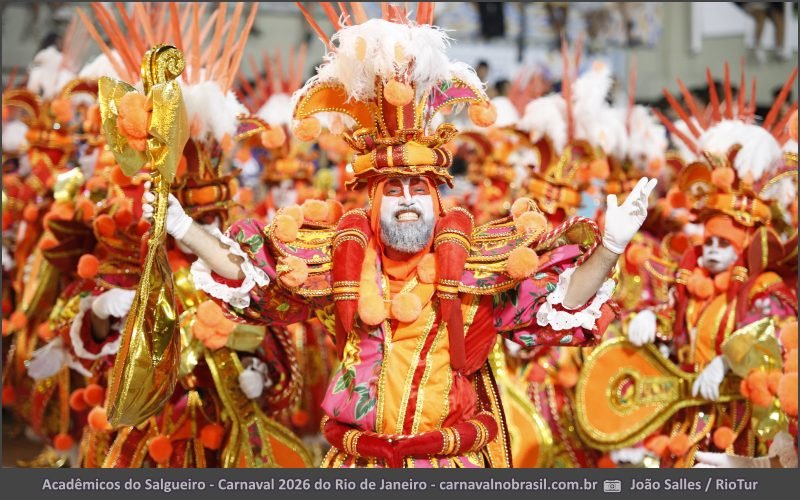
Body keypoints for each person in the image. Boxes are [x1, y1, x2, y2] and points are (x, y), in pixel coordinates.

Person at [137, 7, 658, 468]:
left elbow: (560, 303)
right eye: (393, 189)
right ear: (373, 201)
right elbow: (253, 278)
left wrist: (611, 247)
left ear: (436, 200)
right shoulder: (334, 263)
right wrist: (185, 228)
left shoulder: (478, 268)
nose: (407, 199)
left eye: (418, 188)